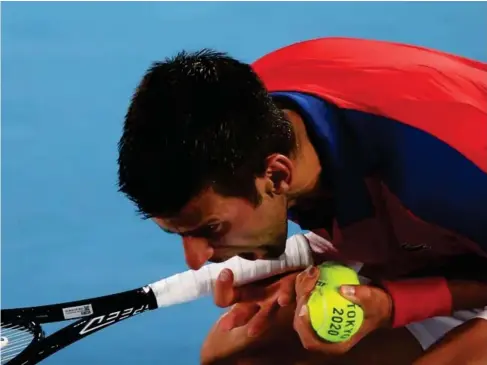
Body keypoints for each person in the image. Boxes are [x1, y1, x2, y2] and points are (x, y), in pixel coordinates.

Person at [117, 37, 487, 364]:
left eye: (211, 228)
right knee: (236, 356)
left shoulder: (442, 167)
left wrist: (394, 304)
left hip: (466, 201)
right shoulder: (251, 120)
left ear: (278, 176)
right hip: (452, 237)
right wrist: (325, 257)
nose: (196, 261)